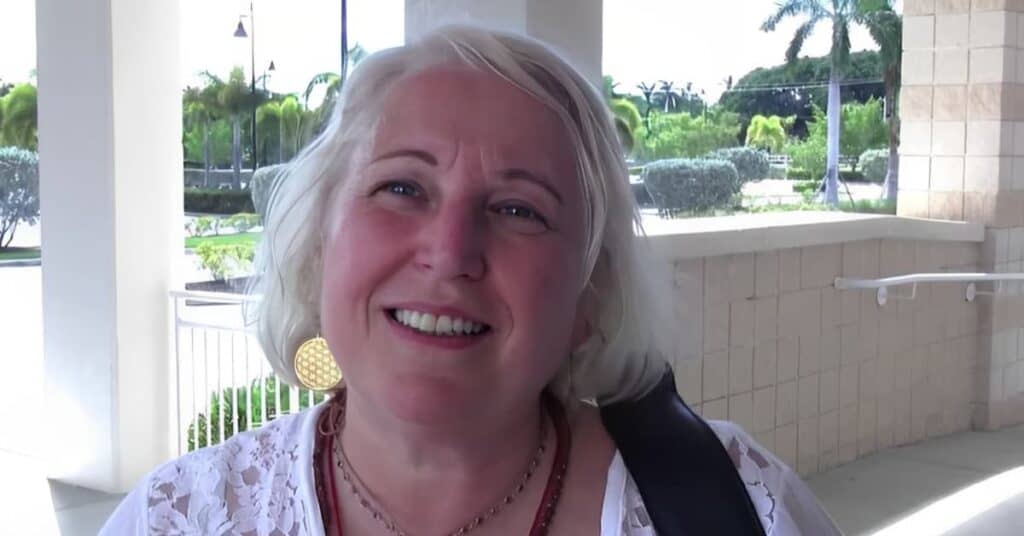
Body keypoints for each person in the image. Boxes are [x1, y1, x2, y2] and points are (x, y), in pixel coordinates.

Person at [102, 25, 839, 535]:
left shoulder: (737, 508)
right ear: (318, 247)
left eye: (519, 209)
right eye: (401, 189)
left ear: (588, 297)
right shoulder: (178, 515)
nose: (450, 251)